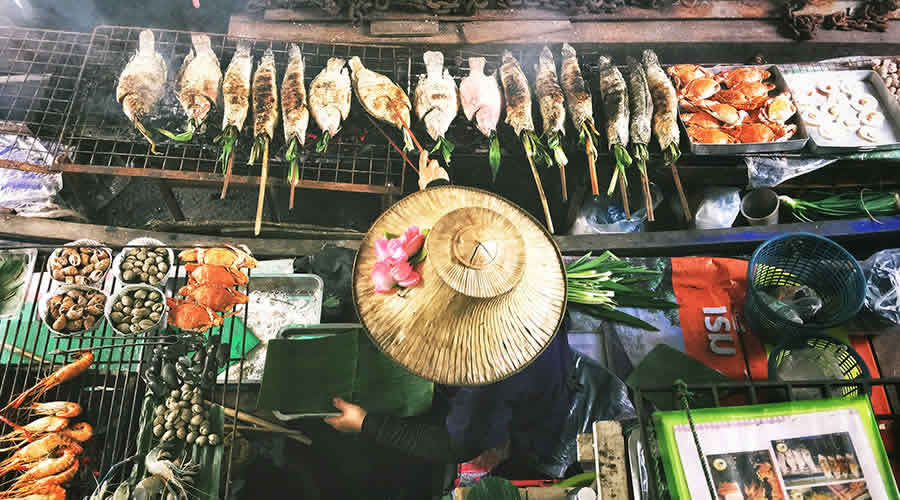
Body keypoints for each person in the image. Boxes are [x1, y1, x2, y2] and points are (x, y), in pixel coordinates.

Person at [324, 152, 575, 490]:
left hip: (530, 419)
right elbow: (471, 248)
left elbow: (454, 445)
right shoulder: (512, 259)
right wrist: (438, 189)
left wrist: (366, 424)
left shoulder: (483, 375)